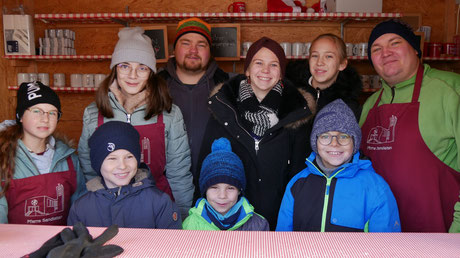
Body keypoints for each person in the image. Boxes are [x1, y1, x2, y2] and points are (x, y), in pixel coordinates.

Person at [198, 37, 313, 230]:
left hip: (279, 220)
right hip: (229, 221)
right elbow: (206, 168)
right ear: (248, 70)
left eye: (273, 64)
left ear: (281, 72)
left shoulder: (297, 114)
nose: (265, 70)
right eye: (258, 63)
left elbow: (300, 178)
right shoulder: (223, 107)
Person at [77, 27, 193, 218]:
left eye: (142, 68)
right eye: (124, 66)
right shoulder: (93, 114)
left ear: (151, 73)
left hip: (158, 208)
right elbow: (89, 171)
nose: (132, 75)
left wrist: (182, 215)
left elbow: (178, 173)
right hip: (108, 210)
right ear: (115, 68)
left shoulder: (170, 114)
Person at [360, 19, 460, 232]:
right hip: (382, 233)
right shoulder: (370, 105)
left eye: (395, 43)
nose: (385, 52)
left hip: (442, 233)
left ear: (415, 49)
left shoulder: (451, 89)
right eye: (376, 49)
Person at [276, 99, 401, 232]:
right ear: (315, 142)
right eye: (325, 136)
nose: (334, 143)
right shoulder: (297, 183)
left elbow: (385, 245)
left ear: (354, 142)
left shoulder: (375, 187)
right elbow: (284, 238)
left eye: (343, 136)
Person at [0, 82, 86, 225]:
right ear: (20, 116)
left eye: (52, 113)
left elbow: (79, 205)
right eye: (36, 111)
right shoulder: (3, 158)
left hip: (62, 244)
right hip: (18, 244)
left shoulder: (69, 159)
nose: (45, 119)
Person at [68, 121, 181, 229]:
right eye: (112, 158)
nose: (122, 166)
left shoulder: (160, 202)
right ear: (97, 163)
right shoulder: (81, 208)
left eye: (129, 157)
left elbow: (172, 246)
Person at [157, 18, 231, 183]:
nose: (193, 50)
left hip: (214, 186)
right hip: (166, 186)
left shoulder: (227, 88)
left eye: (201, 45)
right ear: (174, 49)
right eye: (186, 43)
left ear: (209, 52)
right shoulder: (156, 87)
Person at [183, 137, 269, 231]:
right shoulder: (191, 224)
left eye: (230, 188)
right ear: (205, 190)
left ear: (239, 191)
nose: (222, 196)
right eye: (214, 187)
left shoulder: (258, 225)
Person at [285, 33, 362, 120]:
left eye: (329, 56)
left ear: (342, 64)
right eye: (315, 56)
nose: (319, 62)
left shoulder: (349, 105)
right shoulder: (292, 94)